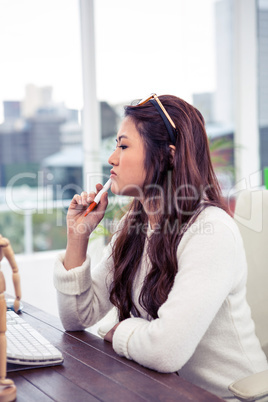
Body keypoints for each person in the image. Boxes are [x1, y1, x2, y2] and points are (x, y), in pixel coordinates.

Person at [54, 94, 268, 400]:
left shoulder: (211, 231)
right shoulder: (135, 228)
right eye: (115, 146)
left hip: (230, 395)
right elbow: (76, 319)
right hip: (166, 391)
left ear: (168, 155)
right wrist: (78, 238)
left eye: (124, 146)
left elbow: (167, 351)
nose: (112, 158)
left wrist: (120, 330)